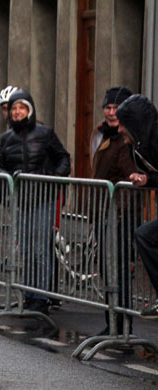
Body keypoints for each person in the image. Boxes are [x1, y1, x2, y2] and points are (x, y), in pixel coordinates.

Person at [0, 88, 71, 314]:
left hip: (43, 198)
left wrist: (56, 177)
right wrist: (5, 176)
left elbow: (63, 158)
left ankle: (41, 297)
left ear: (30, 110)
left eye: (22, 108)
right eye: (14, 108)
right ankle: (28, 294)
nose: (18, 112)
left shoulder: (45, 133)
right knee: (26, 249)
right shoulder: (6, 138)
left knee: (40, 249)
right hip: (21, 200)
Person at [90, 86, 136, 337]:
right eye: (107, 107)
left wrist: (120, 213)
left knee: (118, 272)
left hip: (118, 216)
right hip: (104, 214)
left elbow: (130, 179)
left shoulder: (126, 140)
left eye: (116, 108)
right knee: (107, 271)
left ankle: (122, 326)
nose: (110, 112)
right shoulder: (102, 133)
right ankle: (112, 323)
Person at [117, 94, 158, 317]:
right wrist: (147, 180)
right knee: (145, 236)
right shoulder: (143, 144)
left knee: (145, 235)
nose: (120, 129)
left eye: (123, 124)